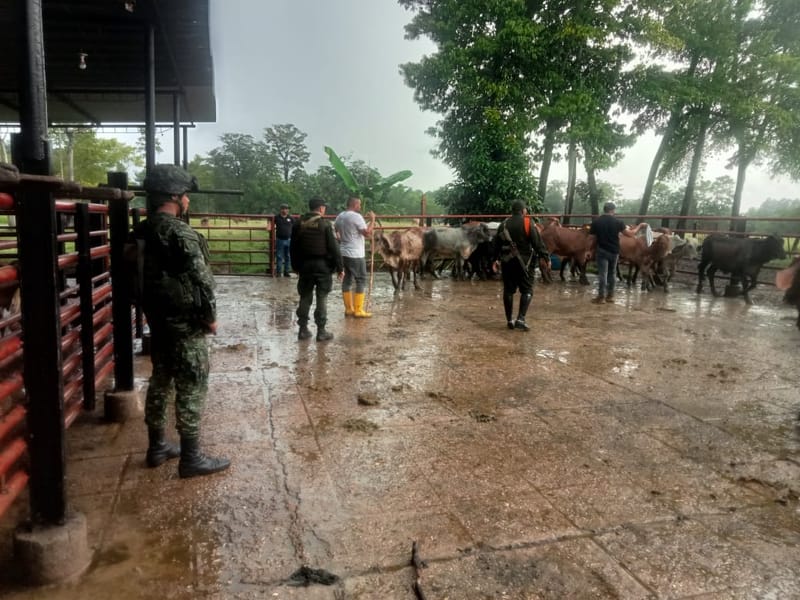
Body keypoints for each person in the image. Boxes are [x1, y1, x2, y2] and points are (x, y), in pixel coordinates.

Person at [135, 164, 230, 479]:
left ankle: (157, 446)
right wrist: (210, 317)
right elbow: (202, 280)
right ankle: (191, 457)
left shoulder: (143, 230)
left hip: (158, 320)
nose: (189, 201)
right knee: (192, 383)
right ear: (175, 196)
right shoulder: (179, 232)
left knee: (160, 380)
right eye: (186, 195)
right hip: (185, 323)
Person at [290, 196, 343, 341]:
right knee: (322, 297)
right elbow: (334, 248)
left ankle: (302, 329)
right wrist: (340, 268)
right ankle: (321, 331)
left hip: (304, 266)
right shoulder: (325, 224)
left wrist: (295, 266)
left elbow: (292, 247)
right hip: (322, 266)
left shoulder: (298, 223)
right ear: (321, 208)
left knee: (305, 296)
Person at [493, 200, 551, 331]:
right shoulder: (527, 223)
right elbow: (537, 243)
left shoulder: (504, 224)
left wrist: (495, 260)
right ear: (523, 210)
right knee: (527, 290)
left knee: (508, 290)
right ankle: (521, 318)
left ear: (512, 211)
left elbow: (496, 244)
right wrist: (545, 257)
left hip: (507, 262)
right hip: (526, 263)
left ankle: (509, 320)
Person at [588, 201, 647, 304]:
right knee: (612, 273)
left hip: (601, 250)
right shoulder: (618, 222)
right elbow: (630, 234)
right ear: (612, 210)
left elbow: (592, 238)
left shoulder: (596, 222)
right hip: (614, 251)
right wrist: (640, 226)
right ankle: (610, 296)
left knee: (603, 274)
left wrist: (590, 250)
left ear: (604, 210)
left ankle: (601, 297)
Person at [333, 196, 376, 318]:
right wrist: (372, 220)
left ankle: (348, 309)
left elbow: (335, 228)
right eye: (359, 204)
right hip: (356, 254)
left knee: (347, 279)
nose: (360, 207)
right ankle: (358, 310)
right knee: (361, 279)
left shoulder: (340, 216)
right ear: (355, 205)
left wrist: (341, 238)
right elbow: (367, 233)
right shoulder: (356, 217)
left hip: (343, 252)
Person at [274, 203, 294, 277]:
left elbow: (295, 226)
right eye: (284, 209)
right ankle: (279, 272)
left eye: (286, 209)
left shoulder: (291, 218)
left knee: (288, 256)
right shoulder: (276, 217)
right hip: (280, 240)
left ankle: (286, 272)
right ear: (281, 209)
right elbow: (270, 223)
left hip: (289, 239)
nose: (285, 210)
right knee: (279, 256)